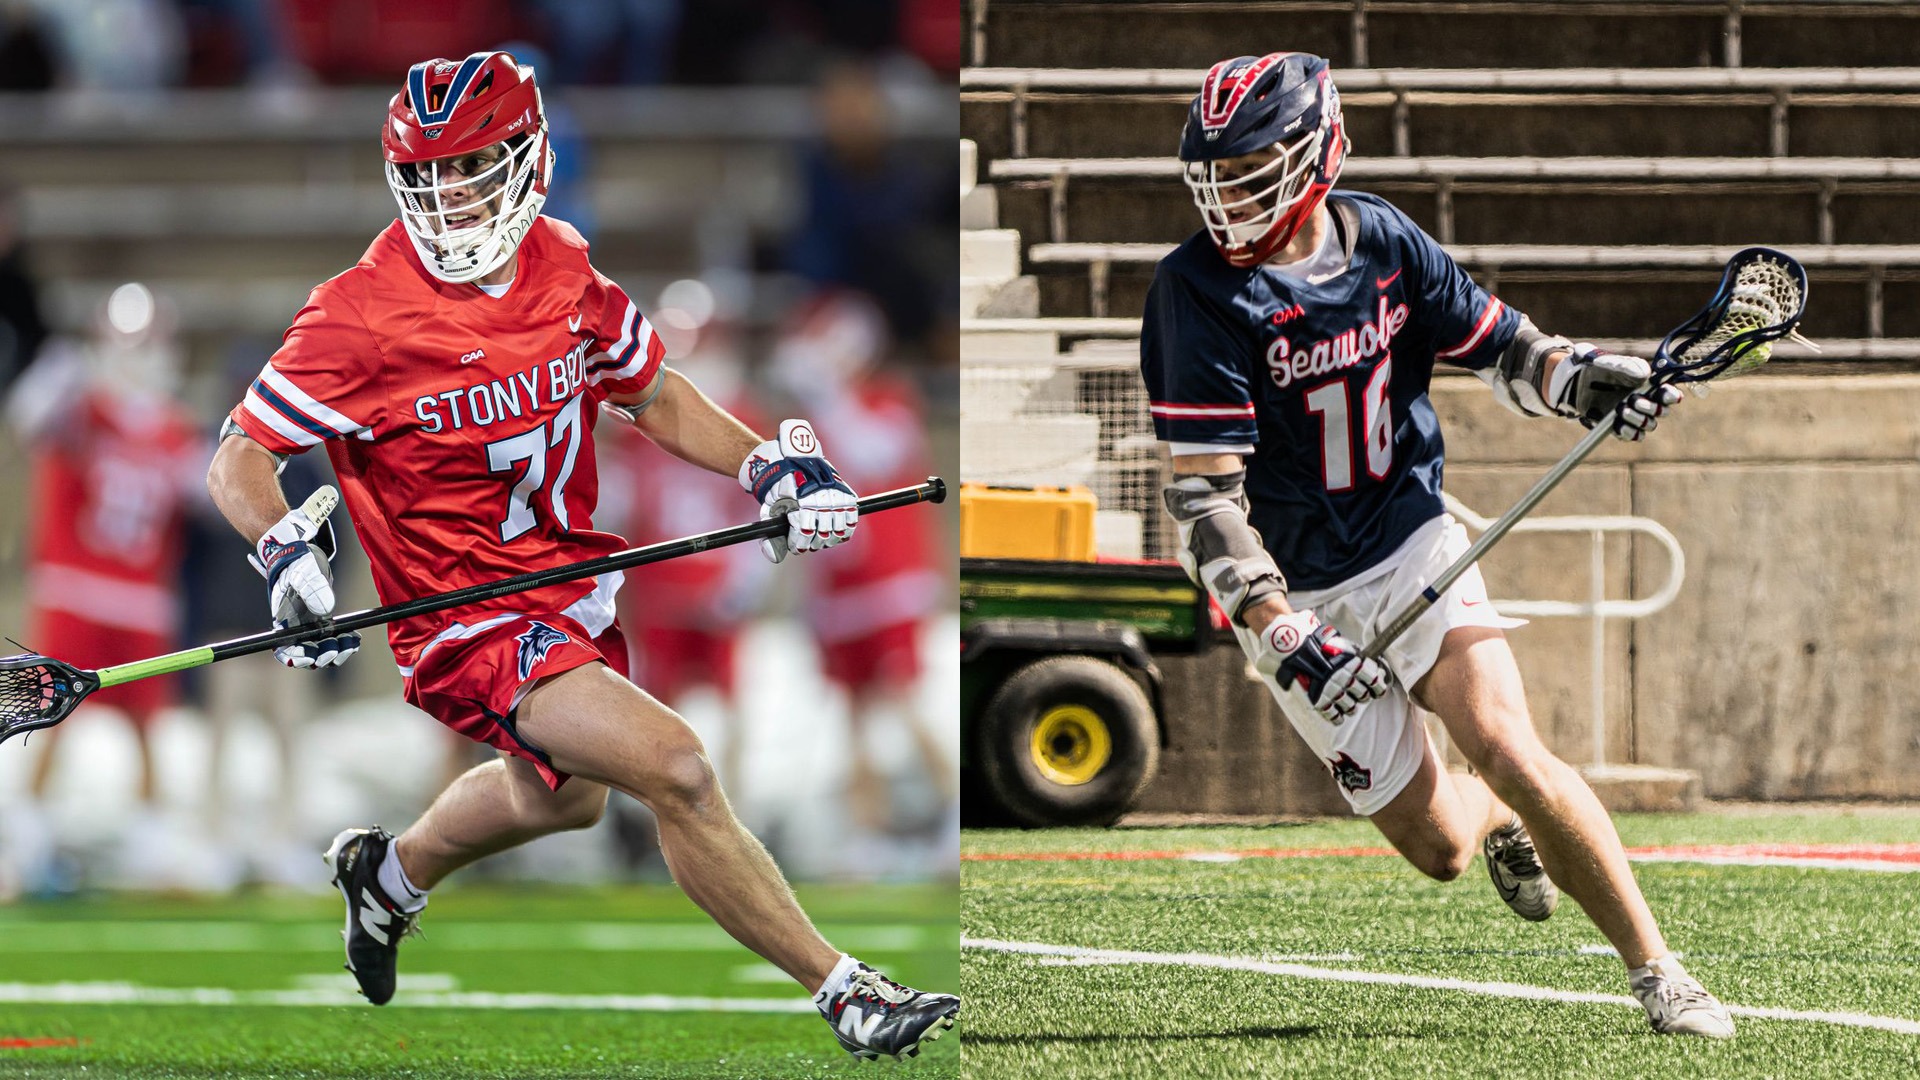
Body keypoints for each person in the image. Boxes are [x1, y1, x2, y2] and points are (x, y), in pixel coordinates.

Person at [204, 51, 957, 1061]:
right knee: (678, 770)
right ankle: (845, 991)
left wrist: (769, 469)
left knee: (558, 795)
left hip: (566, 593)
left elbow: (653, 393)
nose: (451, 201)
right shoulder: (359, 314)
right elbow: (241, 455)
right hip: (460, 617)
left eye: (472, 170)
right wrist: (284, 545)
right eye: (428, 179)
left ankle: (389, 876)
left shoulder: (563, 264)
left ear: (528, 157)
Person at [1141, 53, 1729, 1038]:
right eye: (1219, 177)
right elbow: (1207, 503)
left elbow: (1502, 346)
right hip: (1297, 593)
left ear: (1317, 152)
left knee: (1503, 742)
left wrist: (1580, 380)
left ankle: (1660, 973)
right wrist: (1282, 630)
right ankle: (1497, 822)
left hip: (1414, 539)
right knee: (1442, 846)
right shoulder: (1193, 291)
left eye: (1251, 170)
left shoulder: (1382, 240)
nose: (1230, 197)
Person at [4, 283, 204, 891]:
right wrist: (61, 372)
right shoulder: (80, 409)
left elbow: (206, 489)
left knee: (147, 728)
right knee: (52, 717)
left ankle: (151, 847)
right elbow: (28, 415)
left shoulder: (173, 429)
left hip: (141, 596)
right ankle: (25, 842)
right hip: (76, 588)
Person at [771, 290, 953, 836]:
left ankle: (952, 811)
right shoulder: (811, 419)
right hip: (838, 588)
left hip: (890, 581)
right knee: (851, 716)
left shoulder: (887, 400)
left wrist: (827, 395)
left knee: (901, 697)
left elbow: (876, 454)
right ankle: (867, 830)